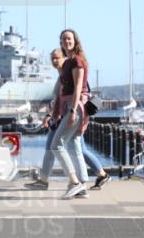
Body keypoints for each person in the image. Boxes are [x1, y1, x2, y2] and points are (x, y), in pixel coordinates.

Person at [30, 48, 110, 190]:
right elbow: (58, 99)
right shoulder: (62, 75)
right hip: (61, 116)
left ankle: (78, 182)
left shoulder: (67, 75)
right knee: (74, 149)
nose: (55, 61)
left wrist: (58, 114)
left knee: (59, 147)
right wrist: (50, 115)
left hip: (69, 115)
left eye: (57, 58)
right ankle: (98, 175)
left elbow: (66, 96)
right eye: (52, 59)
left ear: (64, 59)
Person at [24, 30, 91, 199]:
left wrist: (73, 110)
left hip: (73, 108)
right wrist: (56, 113)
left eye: (69, 38)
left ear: (75, 40)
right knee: (73, 148)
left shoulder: (77, 61)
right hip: (68, 107)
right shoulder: (68, 62)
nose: (66, 41)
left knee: (56, 146)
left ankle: (75, 183)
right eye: (63, 39)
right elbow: (62, 92)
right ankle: (81, 187)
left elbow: (77, 88)